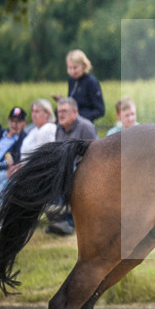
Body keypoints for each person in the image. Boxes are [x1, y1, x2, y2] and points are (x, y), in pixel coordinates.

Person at [46, 97, 98, 235]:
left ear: (75, 112)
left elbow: (94, 154)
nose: (60, 115)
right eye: (58, 111)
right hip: (64, 167)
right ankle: (55, 219)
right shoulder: (59, 128)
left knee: (64, 174)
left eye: (64, 111)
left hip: (84, 168)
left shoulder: (86, 127)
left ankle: (67, 221)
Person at [0, 99, 57, 201]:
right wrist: (11, 165)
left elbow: (40, 157)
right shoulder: (4, 134)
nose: (14, 124)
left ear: (24, 122)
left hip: (33, 173)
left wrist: (17, 168)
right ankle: (4, 210)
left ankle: (11, 213)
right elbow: (7, 153)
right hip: (3, 166)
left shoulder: (31, 133)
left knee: (3, 186)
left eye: (18, 121)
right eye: (12, 121)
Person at [56, 49, 104, 123]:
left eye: (75, 68)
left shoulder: (91, 82)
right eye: (70, 68)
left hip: (85, 124)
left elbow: (100, 110)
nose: (72, 71)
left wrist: (79, 118)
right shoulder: (71, 81)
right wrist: (62, 101)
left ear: (84, 66)